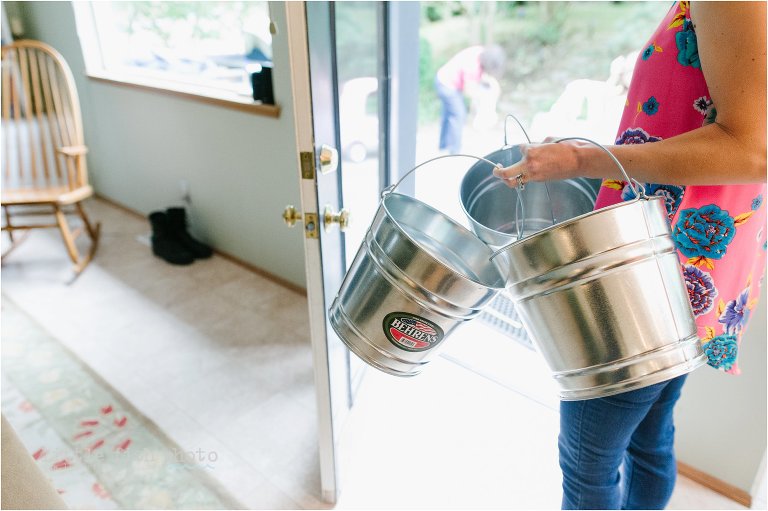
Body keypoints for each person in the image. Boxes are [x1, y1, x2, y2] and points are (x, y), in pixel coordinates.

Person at [493, 2, 766, 509]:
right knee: (648, 438)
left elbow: (753, 149)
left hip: (657, 271)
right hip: (679, 261)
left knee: (588, 458)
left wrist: (581, 158)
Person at [435, 45, 506, 154]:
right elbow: (468, 90)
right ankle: (454, 150)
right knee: (458, 115)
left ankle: (443, 146)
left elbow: (477, 80)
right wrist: (482, 99)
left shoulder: (480, 52)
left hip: (443, 78)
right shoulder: (472, 66)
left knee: (448, 115)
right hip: (447, 84)